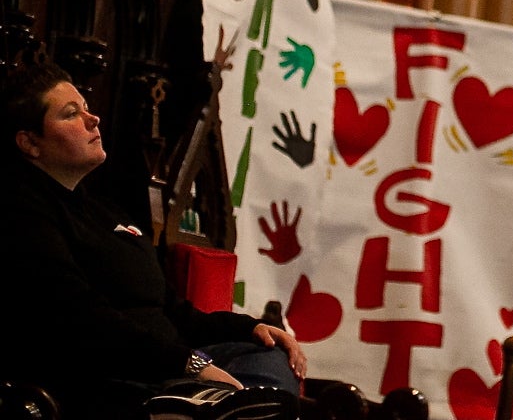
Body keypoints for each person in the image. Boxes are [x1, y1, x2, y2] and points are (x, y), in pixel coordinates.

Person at [0, 56, 307, 416]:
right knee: (226, 401)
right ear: (29, 143)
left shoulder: (105, 210)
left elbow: (174, 312)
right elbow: (80, 318)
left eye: (86, 107)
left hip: (172, 366)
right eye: (71, 114)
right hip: (108, 374)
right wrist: (190, 365)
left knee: (267, 357)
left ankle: (225, 406)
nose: (92, 119)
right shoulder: (21, 210)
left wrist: (252, 326)